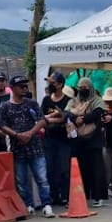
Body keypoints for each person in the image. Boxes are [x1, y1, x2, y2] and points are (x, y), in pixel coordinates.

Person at [0, 75, 54, 217]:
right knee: (21, 180)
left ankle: (46, 204)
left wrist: (30, 133)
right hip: (17, 148)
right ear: (13, 88)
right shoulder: (5, 107)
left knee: (42, 178)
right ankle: (27, 204)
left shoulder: (32, 104)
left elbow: (42, 120)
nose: (24, 88)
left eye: (25, 86)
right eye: (20, 86)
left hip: (35, 146)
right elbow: (3, 125)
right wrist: (16, 135)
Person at [66, 77, 108, 207]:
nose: (82, 90)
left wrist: (82, 119)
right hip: (79, 141)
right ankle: (81, 195)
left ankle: (97, 197)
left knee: (96, 169)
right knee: (81, 169)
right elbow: (65, 113)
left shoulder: (97, 101)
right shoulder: (74, 101)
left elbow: (97, 114)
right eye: (80, 87)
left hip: (94, 140)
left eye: (85, 87)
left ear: (90, 87)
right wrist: (74, 118)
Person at [40, 74, 73, 206]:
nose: (49, 85)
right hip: (49, 140)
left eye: (52, 82)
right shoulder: (46, 100)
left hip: (64, 140)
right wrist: (55, 118)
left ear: (59, 84)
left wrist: (50, 119)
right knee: (49, 169)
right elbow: (41, 118)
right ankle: (54, 196)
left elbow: (66, 117)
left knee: (64, 169)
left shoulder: (69, 100)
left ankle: (65, 196)